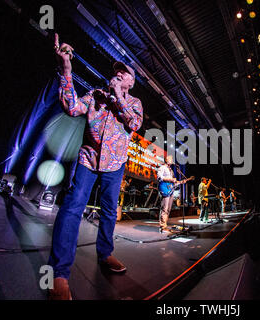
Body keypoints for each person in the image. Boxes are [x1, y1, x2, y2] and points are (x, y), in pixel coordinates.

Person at [48, 34, 143, 300]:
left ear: (130, 82)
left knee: (110, 210)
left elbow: (133, 124)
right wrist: (66, 69)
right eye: (116, 72)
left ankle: (106, 253)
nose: (118, 74)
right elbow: (71, 107)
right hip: (88, 158)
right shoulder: (95, 95)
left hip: (115, 164)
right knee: (72, 206)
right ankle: (59, 273)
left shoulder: (134, 103)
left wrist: (117, 97)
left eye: (123, 73)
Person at [157, 155, 177, 233]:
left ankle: (164, 224)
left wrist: (177, 182)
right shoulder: (162, 168)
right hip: (164, 189)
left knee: (168, 209)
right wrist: (170, 179)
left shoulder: (171, 170)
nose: (172, 160)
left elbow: (172, 181)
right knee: (164, 208)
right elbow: (159, 177)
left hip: (170, 190)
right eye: (171, 159)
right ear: (166, 159)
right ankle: (162, 227)